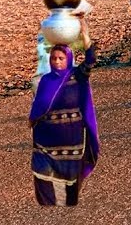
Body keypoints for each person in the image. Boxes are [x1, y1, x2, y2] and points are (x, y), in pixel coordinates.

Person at [29, 25, 99, 207]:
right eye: (53, 58)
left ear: (68, 59)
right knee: (41, 173)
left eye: (61, 58)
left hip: (71, 139)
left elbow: (91, 59)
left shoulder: (78, 75)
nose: (57, 62)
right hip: (46, 140)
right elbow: (39, 105)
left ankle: (68, 209)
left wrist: (85, 34)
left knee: (71, 180)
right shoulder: (45, 80)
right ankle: (48, 208)